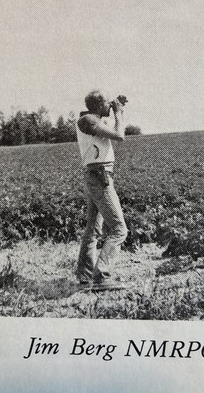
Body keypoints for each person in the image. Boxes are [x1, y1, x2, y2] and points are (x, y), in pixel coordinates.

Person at [76, 89, 128, 291]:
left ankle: (85, 275)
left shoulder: (94, 120)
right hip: (99, 177)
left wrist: (117, 110)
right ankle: (102, 276)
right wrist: (119, 113)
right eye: (107, 103)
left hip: (97, 175)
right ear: (98, 105)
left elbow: (114, 132)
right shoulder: (88, 120)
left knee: (93, 230)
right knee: (119, 229)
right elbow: (119, 135)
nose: (110, 105)